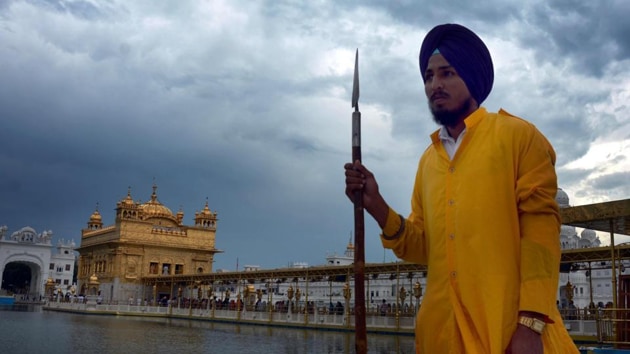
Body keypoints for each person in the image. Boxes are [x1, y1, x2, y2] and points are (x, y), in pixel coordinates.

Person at [344, 23, 579, 353]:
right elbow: (426, 248)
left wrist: (531, 323)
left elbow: (540, 234)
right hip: (441, 336)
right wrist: (376, 204)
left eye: (447, 73)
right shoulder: (429, 162)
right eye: (428, 77)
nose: (435, 85)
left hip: (507, 332)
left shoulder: (517, 138)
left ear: (470, 75)